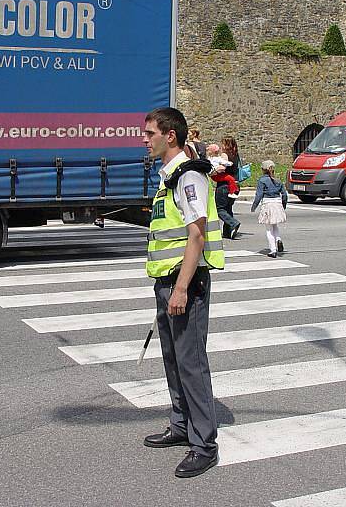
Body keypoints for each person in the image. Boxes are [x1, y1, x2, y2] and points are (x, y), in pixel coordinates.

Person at [142, 107, 224, 478]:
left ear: (169, 136)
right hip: (169, 282)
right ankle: (181, 424)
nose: (145, 139)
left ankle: (204, 444)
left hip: (185, 285)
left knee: (191, 363)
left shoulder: (189, 177)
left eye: (149, 133)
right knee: (174, 360)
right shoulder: (169, 176)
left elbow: (196, 234)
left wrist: (179, 289)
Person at [251, 160, 288, 258]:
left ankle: (273, 250)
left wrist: (254, 206)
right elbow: (284, 194)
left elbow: (259, 195)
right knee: (275, 225)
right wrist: (283, 205)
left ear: (263, 170)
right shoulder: (278, 181)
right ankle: (278, 239)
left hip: (267, 204)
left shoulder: (262, 180)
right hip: (277, 203)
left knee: (268, 229)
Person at [216, 135, 242, 239]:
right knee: (228, 207)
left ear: (226, 144)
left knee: (219, 209)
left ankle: (233, 223)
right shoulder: (236, 155)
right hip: (235, 185)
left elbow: (222, 168)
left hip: (225, 184)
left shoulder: (224, 155)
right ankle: (227, 232)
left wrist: (213, 169)